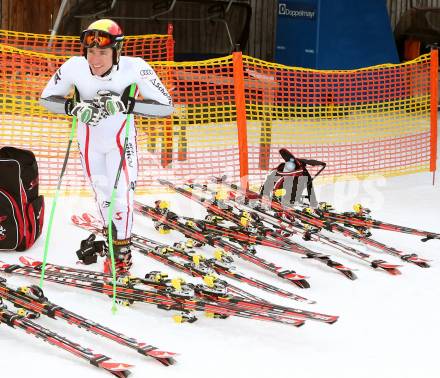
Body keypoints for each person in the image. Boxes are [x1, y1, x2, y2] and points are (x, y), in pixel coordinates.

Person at [40, 19, 174, 275]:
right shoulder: (74, 67)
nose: (96, 59)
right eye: (91, 52)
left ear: (116, 51)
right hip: (90, 144)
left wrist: (127, 105)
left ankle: (122, 254)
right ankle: (111, 247)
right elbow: (46, 99)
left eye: (102, 52)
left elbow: (166, 106)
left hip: (121, 144)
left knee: (121, 197)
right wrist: (74, 107)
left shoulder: (135, 68)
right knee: (103, 196)